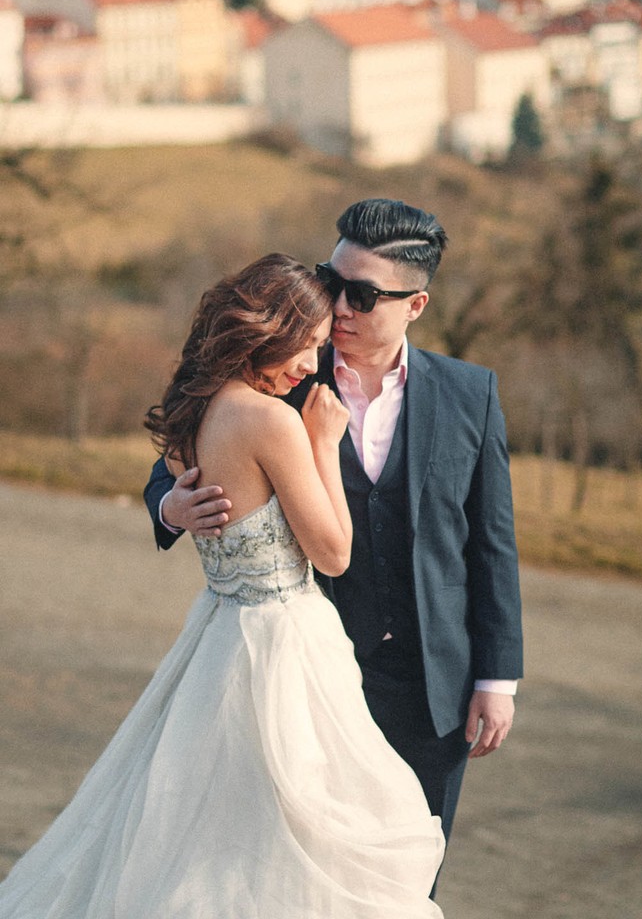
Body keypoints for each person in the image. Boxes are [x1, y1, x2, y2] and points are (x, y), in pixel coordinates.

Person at [0, 254, 444, 918]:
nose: (309, 366)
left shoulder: (192, 412)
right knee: (273, 837)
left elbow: (182, 482)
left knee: (207, 824)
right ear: (271, 328)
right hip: (280, 647)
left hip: (217, 634)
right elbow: (332, 553)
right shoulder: (273, 422)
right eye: (309, 346)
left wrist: (167, 506)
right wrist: (325, 442)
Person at [145, 199, 524, 850]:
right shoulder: (280, 376)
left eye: (363, 293)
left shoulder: (471, 394)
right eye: (332, 280)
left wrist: (497, 678)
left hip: (432, 690)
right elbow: (180, 447)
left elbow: (491, 545)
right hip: (305, 685)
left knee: (403, 874)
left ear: (416, 304)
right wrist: (167, 505)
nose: (339, 305)